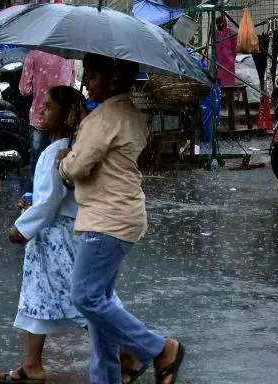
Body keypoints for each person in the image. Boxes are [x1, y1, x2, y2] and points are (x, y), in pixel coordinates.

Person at [0, 87, 146, 384]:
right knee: (37, 297)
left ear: (67, 116)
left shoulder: (60, 152)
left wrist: (21, 228)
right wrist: (32, 201)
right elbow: (49, 196)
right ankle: (32, 364)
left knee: (83, 302)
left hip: (59, 239)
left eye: (49, 107)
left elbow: (49, 203)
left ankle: (127, 351)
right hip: (49, 238)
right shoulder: (61, 148)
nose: (41, 110)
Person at [57, 54, 185, 384]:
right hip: (122, 215)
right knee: (99, 302)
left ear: (113, 79)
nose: (86, 83)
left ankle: (158, 349)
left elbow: (76, 167)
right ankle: (106, 377)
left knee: (85, 296)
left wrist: (64, 159)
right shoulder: (127, 112)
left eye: (93, 76)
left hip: (107, 220)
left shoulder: (104, 118)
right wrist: (83, 126)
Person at [18, 50, 75, 192]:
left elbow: (24, 89)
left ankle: (33, 198)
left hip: (40, 118)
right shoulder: (68, 55)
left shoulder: (33, 55)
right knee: (60, 166)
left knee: (37, 169)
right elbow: (71, 85)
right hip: (63, 120)